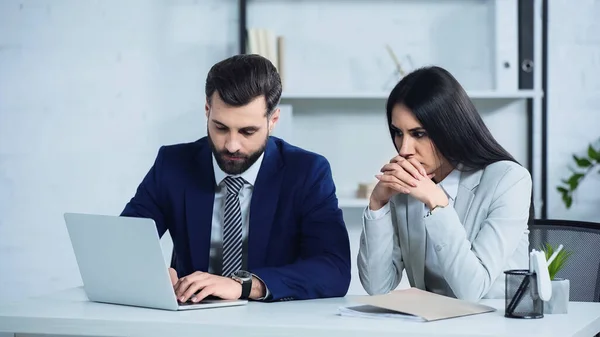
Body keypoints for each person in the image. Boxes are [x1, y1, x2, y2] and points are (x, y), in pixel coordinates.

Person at [121, 54, 351, 303]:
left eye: (247, 131)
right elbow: (124, 242)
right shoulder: (174, 164)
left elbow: (333, 270)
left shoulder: (307, 172)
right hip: (190, 321)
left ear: (272, 121)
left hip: (272, 323)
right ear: (207, 111)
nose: (231, 145)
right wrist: (148, 272)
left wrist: (243, 286)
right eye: (220, 128)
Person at [357, 66, 533, 302]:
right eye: (398, 132)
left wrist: (437, 204)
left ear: (450, 129)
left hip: (493, 326)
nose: (404, 149)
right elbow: (378, 288)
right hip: (430, 326)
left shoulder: (510, 181)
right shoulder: (407, 185)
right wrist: (378, 203)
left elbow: (473, 289)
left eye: (418, 134)